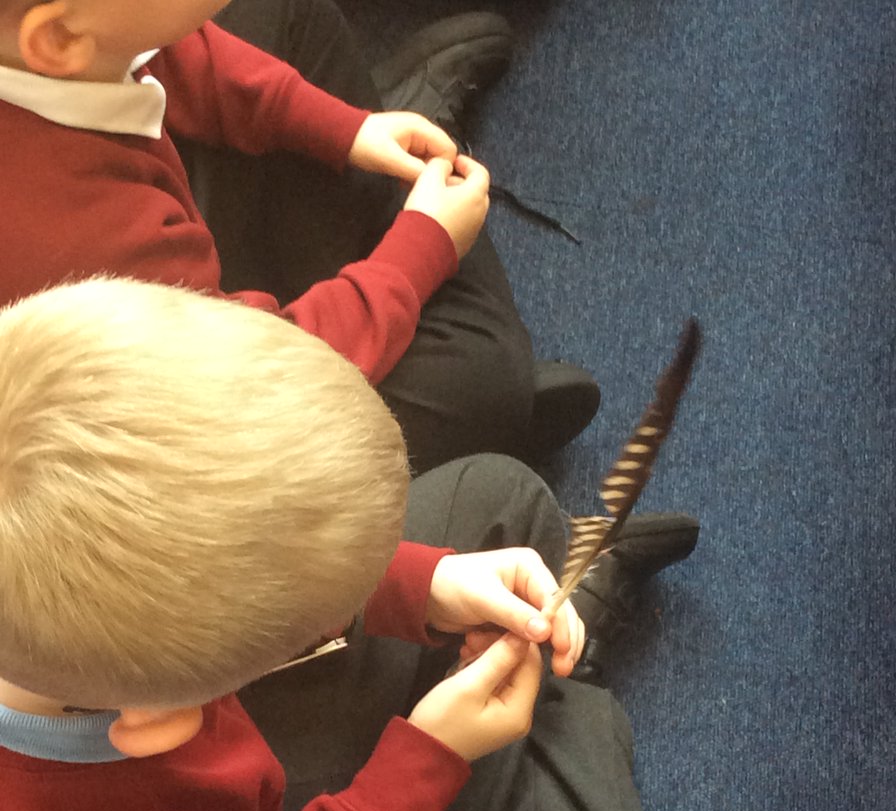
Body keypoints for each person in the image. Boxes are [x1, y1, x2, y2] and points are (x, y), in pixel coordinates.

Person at [0, 277, 721, 811]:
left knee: (503, 503)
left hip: (205, 756)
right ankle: (519, 757)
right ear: (162, 713)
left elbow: (240, 572)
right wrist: (415, 778)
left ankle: (502, 765)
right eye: (313, 624)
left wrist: (422, 584)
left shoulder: (86, 628)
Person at [0, 0, 600, 473]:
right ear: (58, 40)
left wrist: (346, 129)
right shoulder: (87, 239)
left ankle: (422, 312)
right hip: (180, 419)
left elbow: (147, 52)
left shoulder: (55, 47)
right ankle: (477, 392)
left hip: (191, 312)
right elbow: (254, 380)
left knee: (282, 13)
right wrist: (419, 251)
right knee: (480, 374)